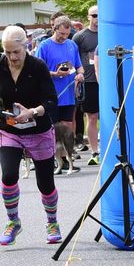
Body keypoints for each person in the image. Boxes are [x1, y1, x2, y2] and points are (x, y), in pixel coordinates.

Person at [0, 25, 63, 246]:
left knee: (45, 182)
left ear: (26, 46)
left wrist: (31, 112)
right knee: (9, 175)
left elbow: (51, 100)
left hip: (39, 129)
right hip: (10, 130)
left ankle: (52, 222)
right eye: (7, 52)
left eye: (16, 52)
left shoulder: (38, 66)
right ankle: (13, 222)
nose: (12, 57)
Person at [37, 15, 82, 170]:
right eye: (61, 34)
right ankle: (50, 160)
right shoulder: (44, 46)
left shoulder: (72, 45)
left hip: (68, 93)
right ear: (54, 29)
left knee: (67, 127)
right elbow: (38, 70)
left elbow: (78, 66)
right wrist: (55, 74)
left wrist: (80, 74)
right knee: (51, 129)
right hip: (50, 95)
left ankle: (65, 159)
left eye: (67, 34)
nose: (64, 37)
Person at [72, 5, 101, 163]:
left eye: (99, 15)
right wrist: (78, 74)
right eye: (94, 15)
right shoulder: (80, 36)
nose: (97, 18)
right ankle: (95, 152)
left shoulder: (108, 33)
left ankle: (109, 149)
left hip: (106, 81)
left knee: (111, 116)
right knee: (92, 117)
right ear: (88, 16)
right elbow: (72, 56)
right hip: (89, 81)